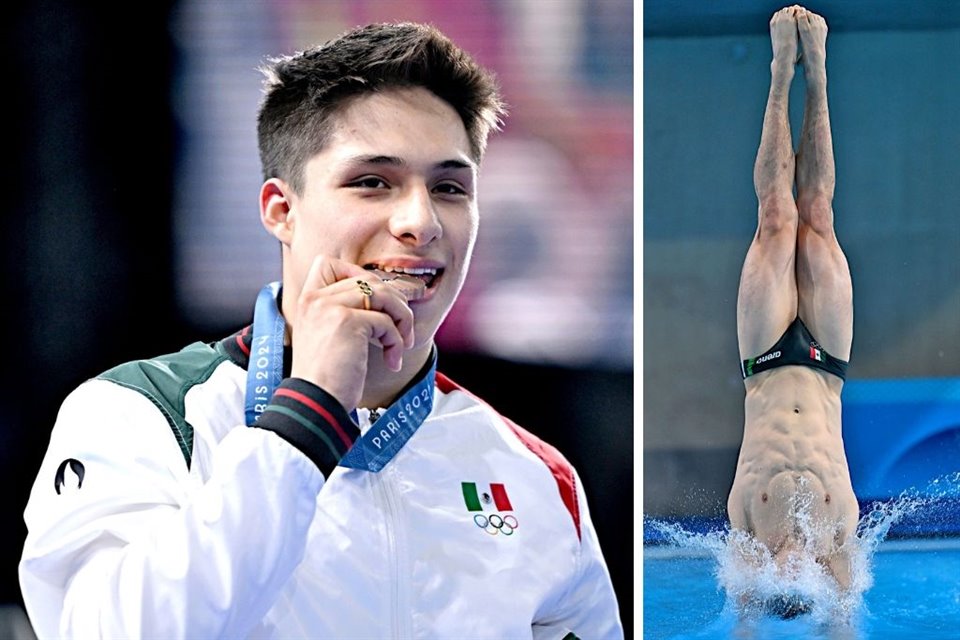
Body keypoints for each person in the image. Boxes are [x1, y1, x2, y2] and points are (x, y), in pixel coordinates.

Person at [18, 23, 623, 638]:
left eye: (448, 187)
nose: (419, 221)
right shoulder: (142, 415)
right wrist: (308, 412)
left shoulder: (539, 478)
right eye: (372, 182)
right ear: (282, 211)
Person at [726, 5, 860, 605]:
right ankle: (820, 73)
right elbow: (847, 618)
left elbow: (739, 617)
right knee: (820, 219)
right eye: (794, 582)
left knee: (777, 220)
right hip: (828, 366)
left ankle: (782, 70)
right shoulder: (838, 542)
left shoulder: (747, 534)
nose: (787, 572)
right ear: (809, 580)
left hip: (764, 360)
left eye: (776, 583)